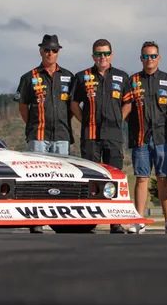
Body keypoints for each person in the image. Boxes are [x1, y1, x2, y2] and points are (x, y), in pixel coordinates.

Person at [70, 38, 132, 234]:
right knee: (90, 178)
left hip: (113, 135)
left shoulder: (122, 77)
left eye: (105, 53)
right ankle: (90, 221)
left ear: (111, 55)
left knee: (114, 177)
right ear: (93, 56)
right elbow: (74, 104)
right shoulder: (82, 77)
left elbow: (128, 103)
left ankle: (116, 221)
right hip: (90, 135)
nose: (102, 57)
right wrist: (85, 121)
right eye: (98, 54)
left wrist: (118, 120)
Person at [15, 33, 74, 233]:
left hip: (62, 135)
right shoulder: (29, 77)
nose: (50, 53)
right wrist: (33, 123)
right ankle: (36, 220)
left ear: (59, 52)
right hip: (38, 135)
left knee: (62, 178)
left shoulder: (69, 77)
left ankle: (60, 219)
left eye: (54, 50)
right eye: (47, 50)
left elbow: (72, 106)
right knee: (37, 179)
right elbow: (22, 106)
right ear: (41, 51)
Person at [124, 41, 167, 234]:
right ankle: (139, 220)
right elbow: (126, 108)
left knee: (163, 178)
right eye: (146, 56)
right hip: (140, 137)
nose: (149, 59)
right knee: (141, 178)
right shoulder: (132, 80)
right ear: (141, 59)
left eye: (152, 56)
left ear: (158, 58)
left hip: (162, 138)